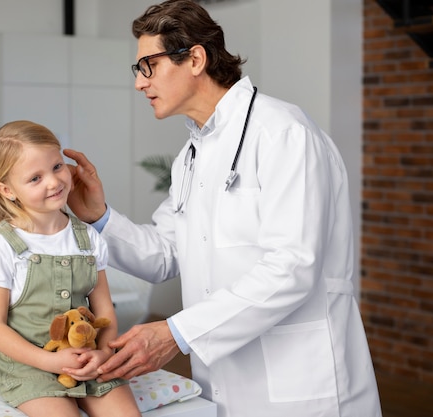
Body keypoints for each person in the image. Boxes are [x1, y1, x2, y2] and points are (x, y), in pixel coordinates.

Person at [63, 1, 383, 416]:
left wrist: (176, 333)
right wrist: (98, 216)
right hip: (225, 378)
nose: (140, 84)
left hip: (301, 382)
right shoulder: (192, 155)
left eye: (148, 66)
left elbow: (293, 266)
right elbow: (164, 254)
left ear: (195, 58)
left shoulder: (283, 133)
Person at [0, 120, 140, 417]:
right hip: (28, 364)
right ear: (7, 190)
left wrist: (101, 352)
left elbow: (104, 311)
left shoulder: (88, 238)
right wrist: (48, 362)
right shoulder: (2, 247)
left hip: (85, 355)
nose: (53, 181)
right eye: (35, 178)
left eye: (57, 167)